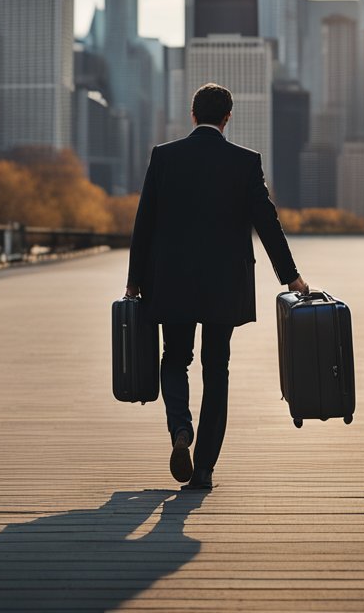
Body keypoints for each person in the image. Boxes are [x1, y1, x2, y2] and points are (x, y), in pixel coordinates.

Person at [125, 83, 308, 490]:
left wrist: (134, 282)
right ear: (228, 118)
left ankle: (180, 431)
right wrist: (291, 276)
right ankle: (205, 467)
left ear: (193, 115)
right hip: (224, 284)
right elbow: (267, 223)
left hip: (170, 281)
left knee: (174, 359)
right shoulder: (245, 163)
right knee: (216, 367)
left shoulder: (164, 157)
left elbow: (144, 224)